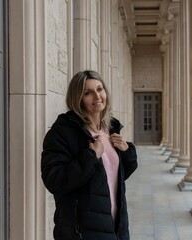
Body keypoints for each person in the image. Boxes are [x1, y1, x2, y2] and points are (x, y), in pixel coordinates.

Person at [41, 70, 138, 240]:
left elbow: (115, 175)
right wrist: (91, 156)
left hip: (116, 226)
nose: (97, 96)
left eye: (99, 89)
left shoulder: (110, 128)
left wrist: (127, 152)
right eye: (88, 93)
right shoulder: (63, 132)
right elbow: (54, 180)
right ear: (77, 99)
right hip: (82, 231)